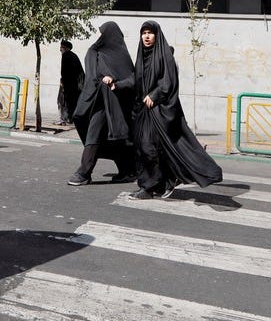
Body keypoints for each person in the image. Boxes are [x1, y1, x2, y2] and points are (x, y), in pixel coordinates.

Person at [128, 21, 222, 200]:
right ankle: (165, 182)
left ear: (157, 35)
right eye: (144, 33)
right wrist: (116, 84)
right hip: (143, 112)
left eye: (150, 33)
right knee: (146, 148)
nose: (146, 36)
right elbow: (135, 79)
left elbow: (168, 81)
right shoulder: (141, 57)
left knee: (148, 148)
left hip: (159, 111)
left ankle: (149, 188)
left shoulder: (165, 56)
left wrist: (154, 95)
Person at [68, 23, 136, 186]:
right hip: (103, 102)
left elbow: (133, 79)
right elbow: (93, 77)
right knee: (110, 137)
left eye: (101, 34)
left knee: (98, 135)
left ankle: (84, 173)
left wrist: (115, 83)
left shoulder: (106, 53)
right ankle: (127, 170)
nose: (99, 37)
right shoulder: (108, 52)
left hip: (112, 104)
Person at [57, 40, 84, 125]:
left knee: (62, 100)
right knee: (72, 102)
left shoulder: (66, 55)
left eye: (61, 47)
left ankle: (64, 119)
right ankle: (70, 119)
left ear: (65, 47)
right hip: (76, 84)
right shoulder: (73, 55)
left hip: (69, 83)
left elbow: (64, 71)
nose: (60, 49)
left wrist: (63, 82)